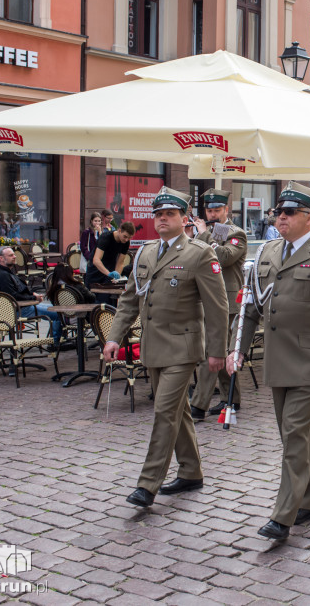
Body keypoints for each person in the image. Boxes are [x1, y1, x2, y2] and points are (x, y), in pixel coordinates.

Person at [231, 182, 310, 540]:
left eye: (289, 213)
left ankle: (283, 515)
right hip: (277, 359)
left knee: (294, 436)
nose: (281, 218)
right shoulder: (270, 251)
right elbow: (250, 307)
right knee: (295, 438)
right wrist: (237, 348)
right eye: (279, 212)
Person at [104, 188, 229, 509]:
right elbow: (130, 300)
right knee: (178, 412)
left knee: (164, 413)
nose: (162, 219)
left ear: (184, 219)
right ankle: (191, 471)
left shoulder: (200, 254)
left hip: (184, 348)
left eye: (170, 214)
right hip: (154, 347)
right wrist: (114, 337)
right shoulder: (145, 253)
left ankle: (148, 484)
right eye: (158, 214)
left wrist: (218, 350)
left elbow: (217, 307)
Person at [188, 189, 248, 422]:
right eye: (209, 210)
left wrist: (203, 235)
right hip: (206, 298)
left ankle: (198, 405)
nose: (212, 214)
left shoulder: (236, 233)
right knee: (219, 351)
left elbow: (222, 257)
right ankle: (232, 398)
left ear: (226, 210)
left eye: (216, 210)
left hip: (228, 301)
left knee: (210, 352)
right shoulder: (208, 233)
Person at [0, 247, 63, 346]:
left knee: (58, 310)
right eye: (10, 255)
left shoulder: (7, 272)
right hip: (19, 310)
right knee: (57, 314)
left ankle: (59, 340)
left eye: (14, 254)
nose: (14, 256)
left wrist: (32, 294)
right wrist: (33, 298)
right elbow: (13, 296)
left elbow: (18, 290)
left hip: (23, 306)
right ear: (1, 258)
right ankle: (56, 343)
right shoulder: (3, 275)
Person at [85, 221, 135, 303]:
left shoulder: (125, 243)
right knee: (92, 300)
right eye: (125, 236)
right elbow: (96, 260)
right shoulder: (106, 237)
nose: (126, 240)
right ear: (119, 231)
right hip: (95, 270)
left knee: (107, 300)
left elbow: (120, 262)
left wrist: (117, 276)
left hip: (110, 268)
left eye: (129, 238)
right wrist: (108, 273)